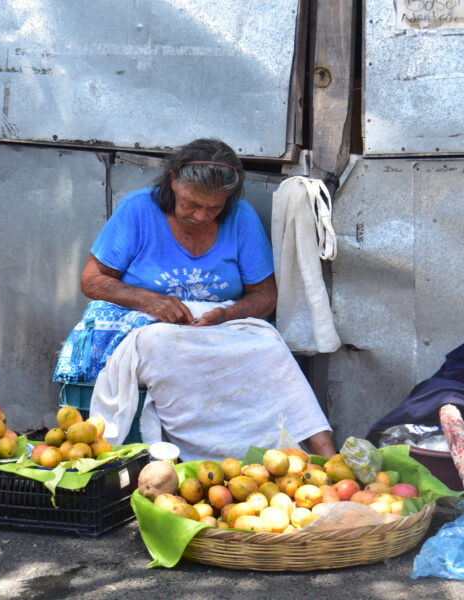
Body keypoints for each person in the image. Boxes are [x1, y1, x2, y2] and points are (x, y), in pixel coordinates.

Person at [77, 138, 335, 459]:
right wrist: (149, 300)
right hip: (151, 328)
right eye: (191, 204)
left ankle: (328, 457)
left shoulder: (241, 218)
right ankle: (210, 458)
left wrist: (226, 315)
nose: (201, 216)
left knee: (270, 348)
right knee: (162, 344)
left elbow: (266, 295)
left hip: (219, 329)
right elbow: (91, 280)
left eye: (214, 208)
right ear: (173, 180)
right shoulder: (138, 210)